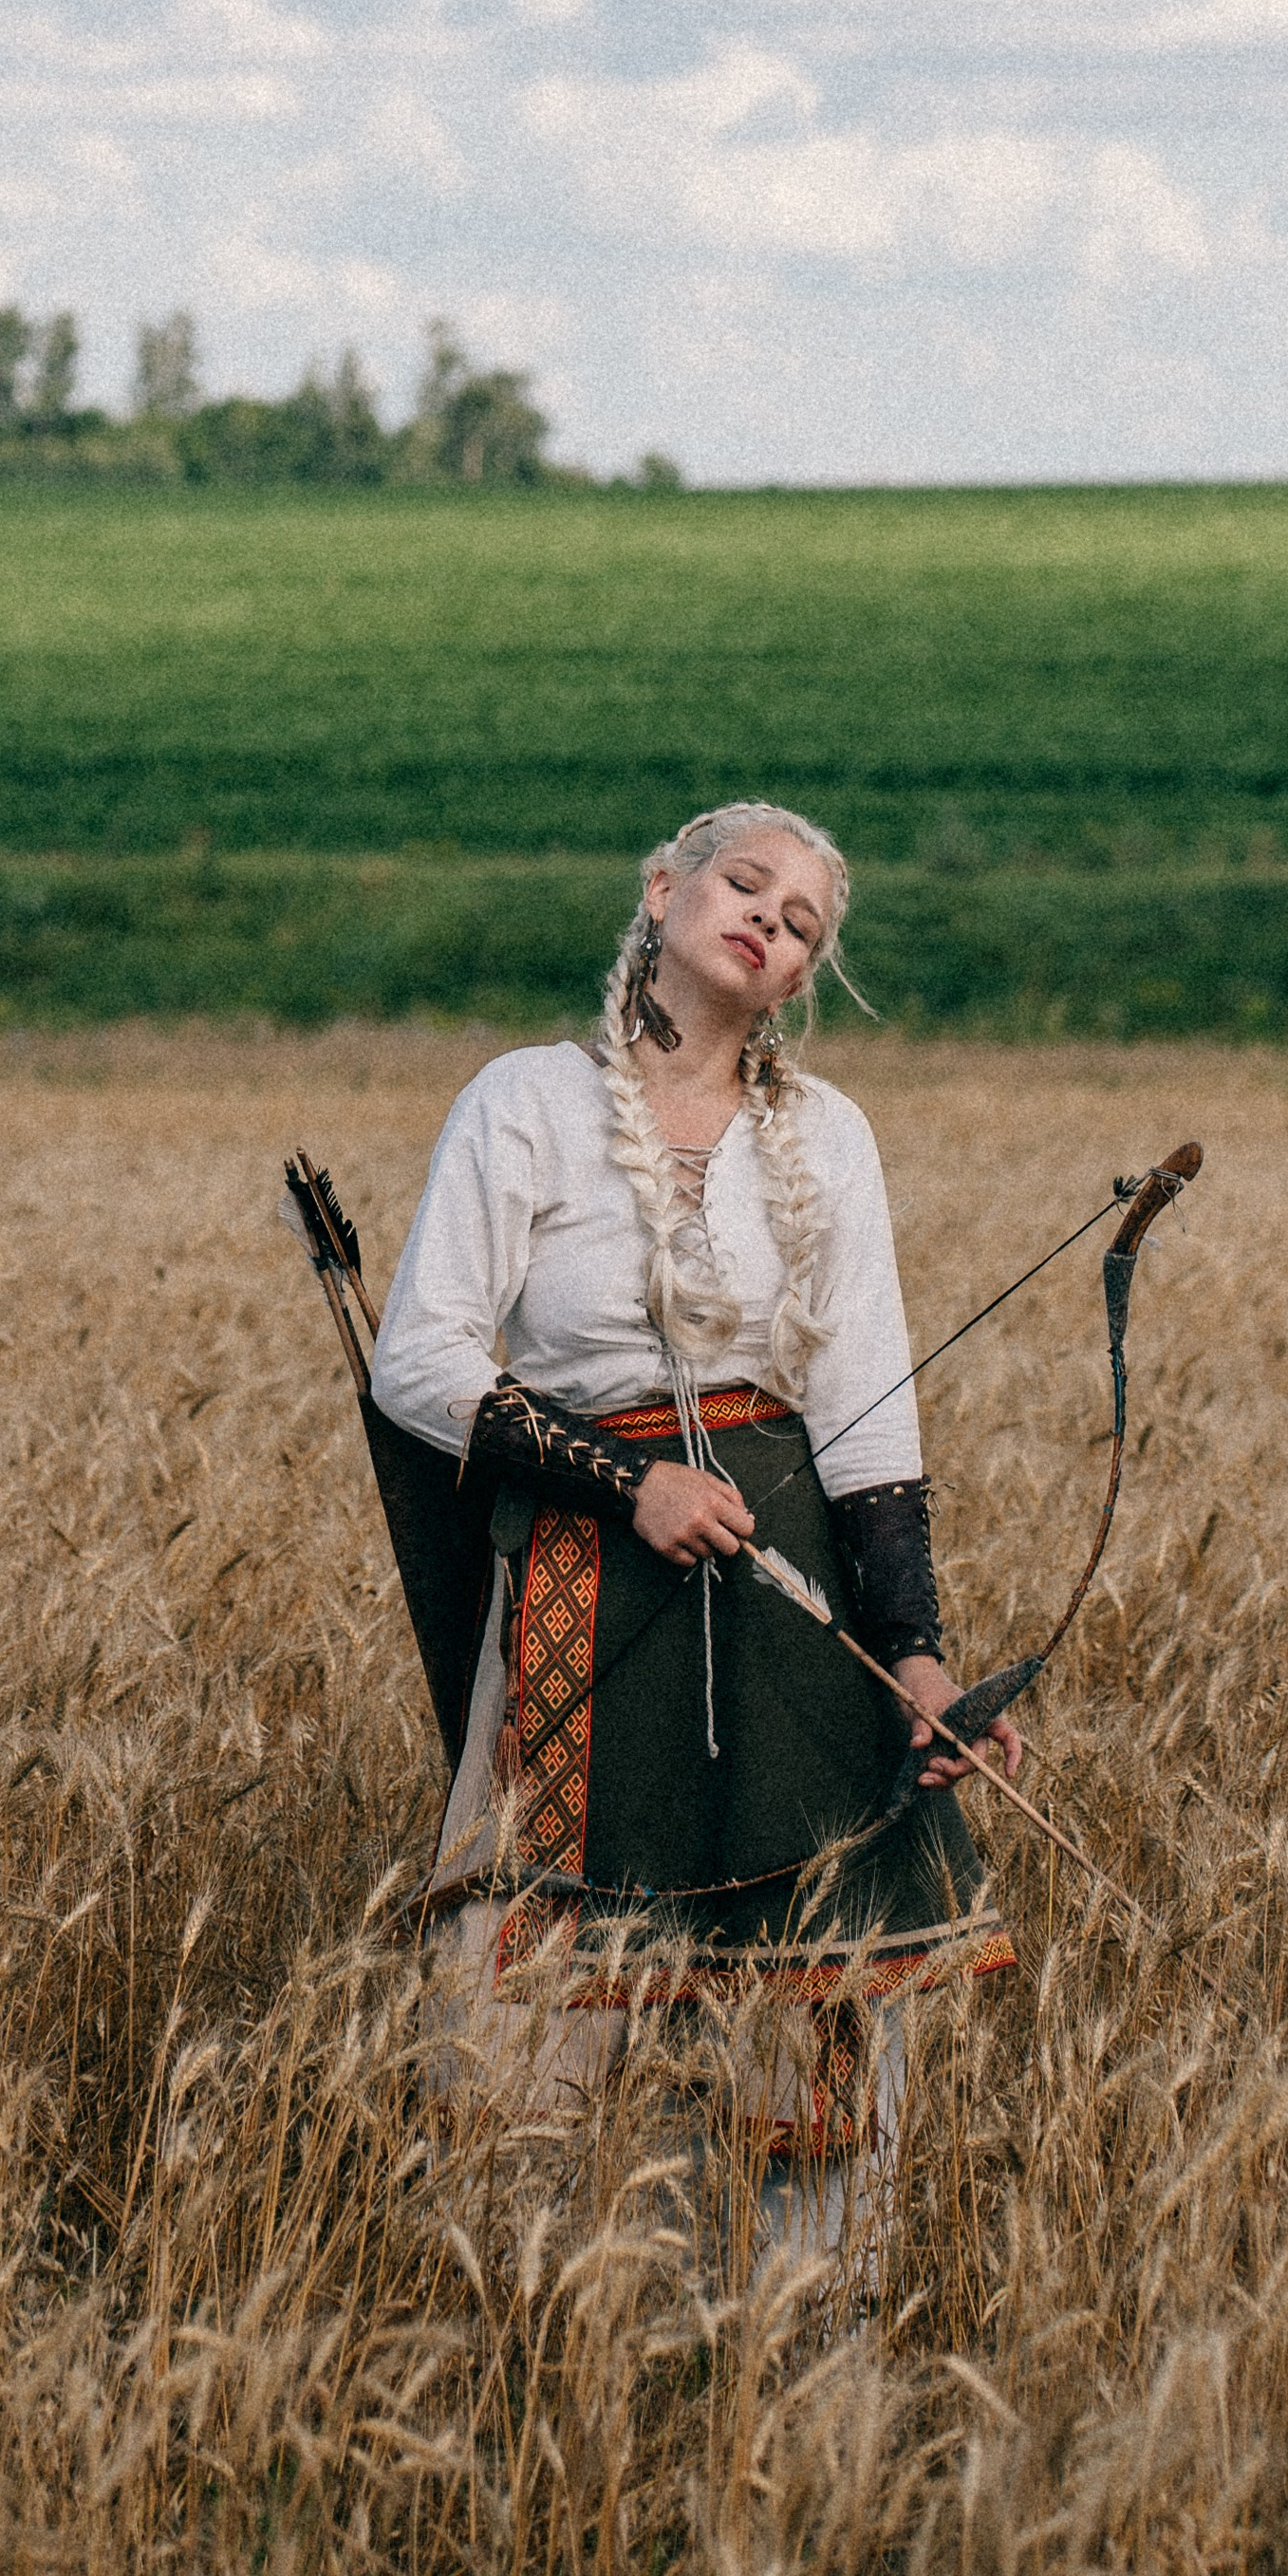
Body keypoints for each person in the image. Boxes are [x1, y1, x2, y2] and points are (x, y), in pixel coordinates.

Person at [369, 801, 1019, 2252]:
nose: (769, 924)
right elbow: (420, 1360)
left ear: (798, 979)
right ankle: (554, 2341)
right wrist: (629, 1483)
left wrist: (913, 1654)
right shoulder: (525, 1101)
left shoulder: (829, 1135)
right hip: (580, 1581)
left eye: (801, 927)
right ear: (664, 891)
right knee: (543, 1996)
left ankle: (801, 2345)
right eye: (747, 886)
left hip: (792, 1584)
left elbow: (866, 1408)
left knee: (812, 1988)